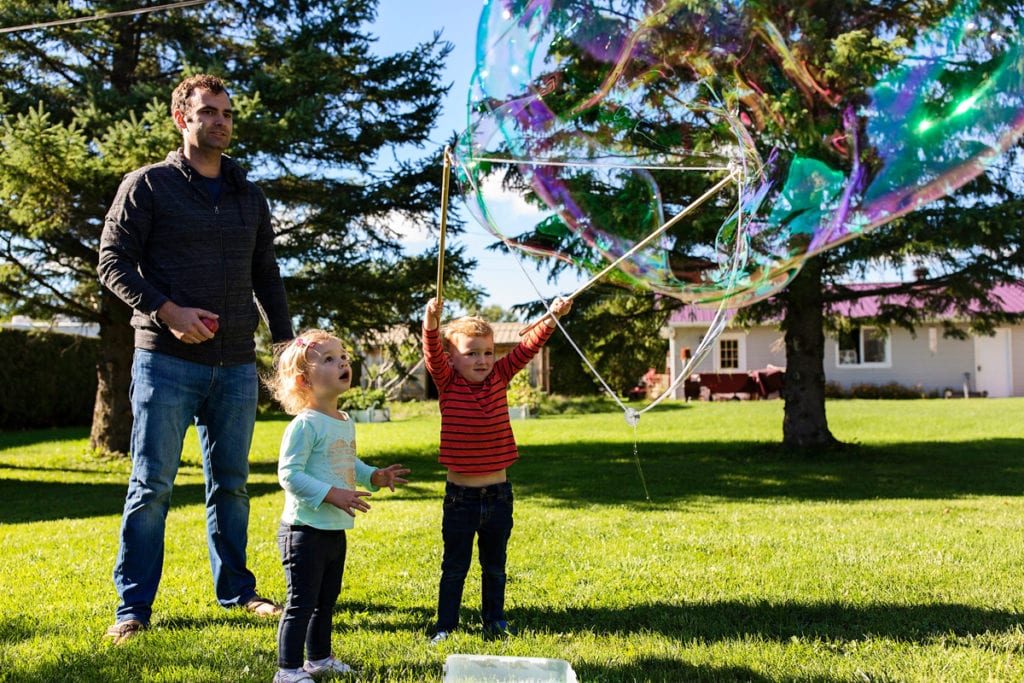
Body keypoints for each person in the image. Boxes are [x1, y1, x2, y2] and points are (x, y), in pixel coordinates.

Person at [97, 73, 294, 644]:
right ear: (182, 118)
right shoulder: (148, 186)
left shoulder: (248, 195)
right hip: (165, 361)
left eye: (227, 113)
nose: (221, 122)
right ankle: (132, 608)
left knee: (231, 484)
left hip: (235, 363)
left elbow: (266, 274)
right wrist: (169, 311)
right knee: (151, 485)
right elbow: (113, 261)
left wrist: (283, 342)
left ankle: (237, 590)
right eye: (209, 112)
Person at [422, 296, 572, 643]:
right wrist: (430, 321)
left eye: (488, 352)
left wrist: (551, 317)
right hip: (460, 499)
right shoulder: (448, 383)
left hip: (499, 496)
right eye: (472, 353)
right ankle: (446, 626)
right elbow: (431, 352)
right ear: (451, 359)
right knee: (455, 568)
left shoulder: (500, 377)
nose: (483, 360)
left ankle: (495, 621)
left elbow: (527, 348)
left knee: (495, 567)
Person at [265, 330, 410, 683]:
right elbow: (290, 475)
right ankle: (287, 670)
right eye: (329, 359)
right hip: (304, 531)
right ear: (304, 379)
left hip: (333, 529)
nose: (343, 362)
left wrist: (373, 475)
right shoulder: (305, 424)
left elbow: (348, 463)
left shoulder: (343, 421)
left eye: (342, 355)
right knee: (301, 602)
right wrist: (333, 494)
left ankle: (318, 658)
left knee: (326, 600)